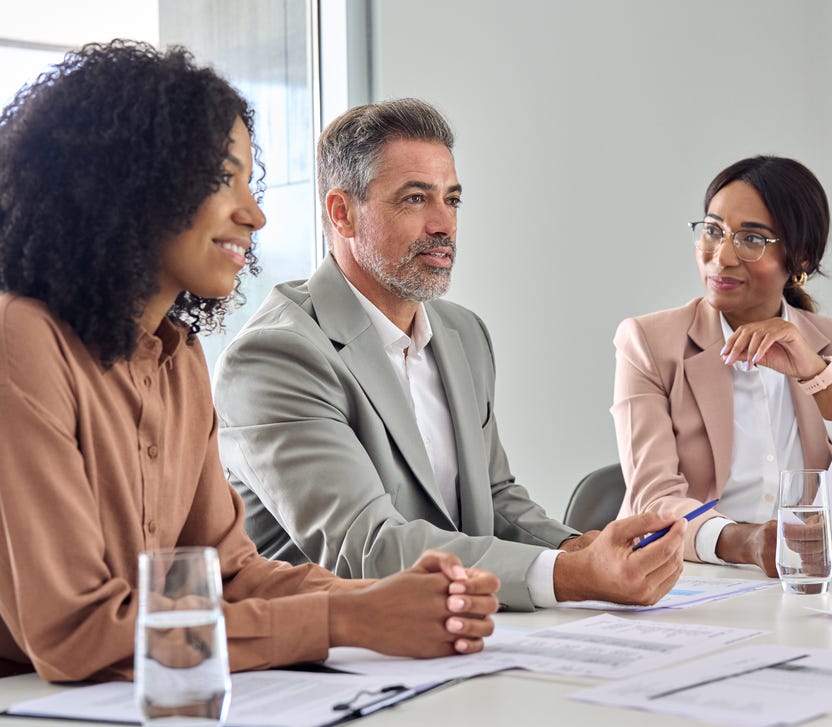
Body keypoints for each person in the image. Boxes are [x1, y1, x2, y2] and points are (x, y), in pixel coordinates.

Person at [0, 42, 499, 683]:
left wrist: (379, 600)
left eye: (248, 180)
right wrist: (345, 621)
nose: (255, 214)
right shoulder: (22, 341)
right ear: (125, 184)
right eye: (220, 179)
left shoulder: (178, 358)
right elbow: (77, 633)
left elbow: (230, 573)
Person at [212, 99, 685, 612]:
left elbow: (496, 496)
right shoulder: (274, 357)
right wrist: (571, 575)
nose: (444, 224)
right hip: (337, 660)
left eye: (452, 200)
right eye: (415, 199)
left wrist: (576, 547)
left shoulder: (462, 332)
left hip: (466, 634)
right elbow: (367, 547)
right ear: (341, 213)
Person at [612, 156, 832, 574]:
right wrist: (746, 542)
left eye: (751, 239)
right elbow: (652, 498)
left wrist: (819, 379)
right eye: (713, 231)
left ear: (799, 257)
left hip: (813, 574)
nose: (722, 256)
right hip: (688, 574)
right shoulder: (649, 342)